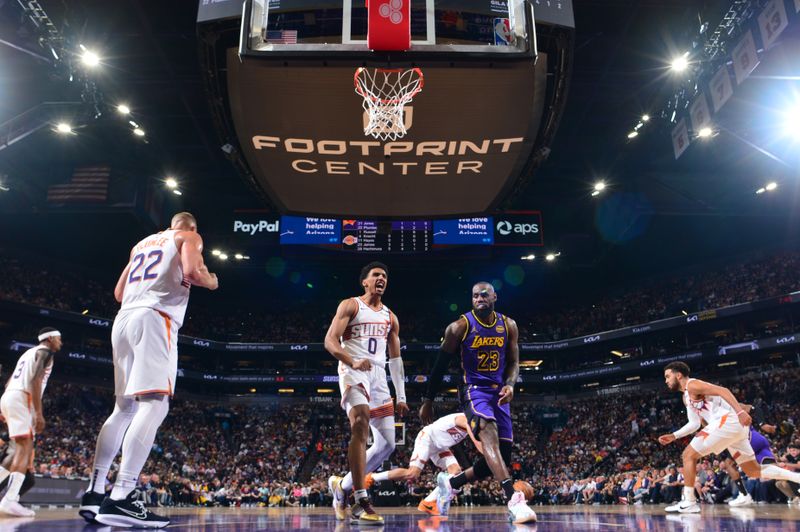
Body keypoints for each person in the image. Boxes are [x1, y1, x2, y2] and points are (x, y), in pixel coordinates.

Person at [80, 212, 218, 528]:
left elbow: (118, 293)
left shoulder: (141, 245)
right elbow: (194, 272)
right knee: (155, 404)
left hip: (124, 319)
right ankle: (121, 496)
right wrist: (212, 279)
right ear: (193, 227)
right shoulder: (189, 238)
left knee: (124, 408)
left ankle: (94, 492)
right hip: (155, 318)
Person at [419, 282, 536, 524]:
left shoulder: (508, 325)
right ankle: (514, 500)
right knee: (489, 436)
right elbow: (440, 365)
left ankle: (451, 483)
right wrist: (428, 400)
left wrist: (511, 385)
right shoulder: (460, 326)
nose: (479, 298)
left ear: (495, 297)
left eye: (484, 294)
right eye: (475, 295)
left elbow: (514, 362)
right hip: (474, 391)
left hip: (500, 394)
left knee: (497, 457)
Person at [325, 262, 407, 525]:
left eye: (385, 275)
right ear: (365, 281)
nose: (381, 278)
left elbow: (396, 359)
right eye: (376, 275)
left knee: (388, 445)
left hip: (379, 377)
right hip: (353, 371)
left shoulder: (390, 317)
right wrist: (351, 361)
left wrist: (402, 396)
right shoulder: (350, 305)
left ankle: (342, 486)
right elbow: (330, 341)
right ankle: (361, 500)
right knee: (360, 422)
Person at [658, 361, 800, 513]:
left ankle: (689, 501)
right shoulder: (686, 396)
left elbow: (722, 390)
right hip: (732, 428)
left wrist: (739, 412)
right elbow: (694, 423)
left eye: (668, 376)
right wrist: (674, 435)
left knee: (687, 455)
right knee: (752, 470)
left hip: (728, 421)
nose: (666, 380)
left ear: (678, 375)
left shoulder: (693, 384)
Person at [366, 412, 482, 516]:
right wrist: (483, 450)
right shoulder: (465, 418)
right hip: (427, 438)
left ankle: (428, 502)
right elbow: (475, 438)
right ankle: (372, 477)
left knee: (456, 472)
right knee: (412, 474)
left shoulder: (473, 421)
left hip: (440, 446)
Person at [0, 327, 62, 517]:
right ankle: (10, 500)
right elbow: (35, 380)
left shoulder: (27, 353)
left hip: (9, 397)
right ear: (50, 339)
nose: (61, 343)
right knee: (25, 449)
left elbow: (8, 382)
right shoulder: (46, 352)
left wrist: (4, 406)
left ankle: (10, 498)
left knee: (15, 450)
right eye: (59, 339)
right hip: (22, 398)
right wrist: (38, 412)